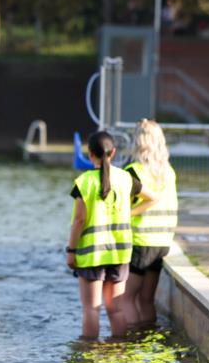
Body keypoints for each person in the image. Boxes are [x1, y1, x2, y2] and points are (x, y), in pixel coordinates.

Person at [66, 131, 157, 339]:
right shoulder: (125, 178)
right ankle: (119, 349)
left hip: (91, 255)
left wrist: (71, 251)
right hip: (119, 254)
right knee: (116, 310)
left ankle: (89, 351)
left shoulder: (84, 182)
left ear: (90, 154)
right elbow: (152, 198)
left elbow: (79, 221)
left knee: (91, 309)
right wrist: (130, 213)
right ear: (113, 152)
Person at [123, 120, 177, 329]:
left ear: (138, 141)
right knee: (146, 299)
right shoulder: (168, 172)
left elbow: (125, 206)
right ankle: (147, 337)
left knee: (126, 298)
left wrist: (126, 215)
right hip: (162, 242)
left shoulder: (134, 171)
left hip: (141, 241)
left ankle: (131, 339)